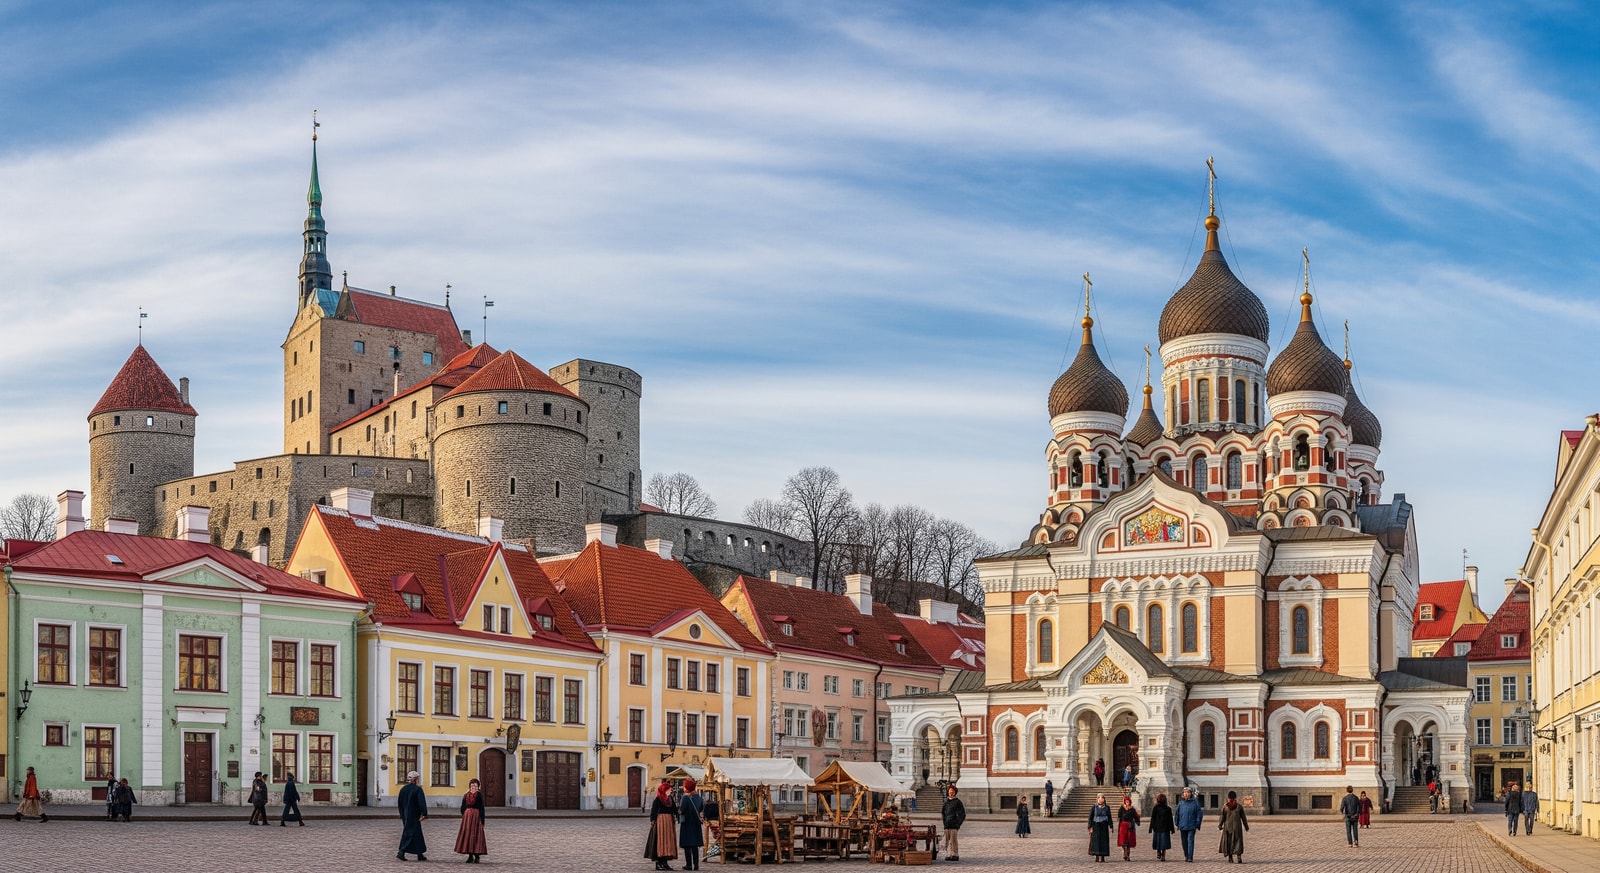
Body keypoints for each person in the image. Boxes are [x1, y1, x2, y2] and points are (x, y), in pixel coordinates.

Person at [396, 770, 429, 862]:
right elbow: (421, 802)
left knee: (417, 834)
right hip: (414, 815)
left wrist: (402, 814)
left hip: (405, 814)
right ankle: (401, 852)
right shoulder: (417, 789)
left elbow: (400, 803)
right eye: (418, 779)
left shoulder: (403, 789)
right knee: (410, 833)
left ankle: (420, 853)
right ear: (415, 779)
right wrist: (424, 813)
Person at [454, 777, 488, 863]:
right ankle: (470, 856)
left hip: (476, 817)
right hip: (468, 818)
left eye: (475, 786)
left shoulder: (479, 795)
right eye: (472, 785)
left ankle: (477, 856)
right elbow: (462, 807)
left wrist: (482, 820)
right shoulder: (466, 795)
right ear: (469, 786)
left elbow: (481, 808)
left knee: (475, 835)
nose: (473, 787)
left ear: (478, 787)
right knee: (468, 836)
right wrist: (465, 815)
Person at [647, 780, 679, 870]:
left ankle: (664, 862)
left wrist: (677, 815)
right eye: (668, 790)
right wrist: (653, 821)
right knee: (660, 841)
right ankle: (659, 862)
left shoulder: (670, 799)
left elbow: (674, 809)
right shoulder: (658, 799)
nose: (670, 791)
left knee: (668, 841)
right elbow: (653, 811)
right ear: (664, 790)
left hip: (669, 821)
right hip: (661, 822)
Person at [678, 778, 707, 871]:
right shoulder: (698, 797)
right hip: (696, 824)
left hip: (687, 823)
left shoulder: (685, 797)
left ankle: (689, 864)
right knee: (695, 845)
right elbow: (701, 808)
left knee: (687, 844)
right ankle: (696, 864)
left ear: (687, 787)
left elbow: (681, 809)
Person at [1217, 790, 1247, 864]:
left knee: (1229, 842)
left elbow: (1222, 817)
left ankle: (1230, 858)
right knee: (1238, 842)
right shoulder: (1239, 806)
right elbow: (1243, 817)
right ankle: (1239, 856)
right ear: (1235, 797)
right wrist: (1246, 826)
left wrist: (1220, 825)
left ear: (1228, 797)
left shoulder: (1225, 807)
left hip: (1228, 827)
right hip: (1237, 827)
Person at [1175, 787, 1203, 862]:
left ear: (1191, 794)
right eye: (1185, 792)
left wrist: (1197, 823)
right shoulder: (1181, 803)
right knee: (1184, 842)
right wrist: (1177, 823)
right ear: (1183, 794)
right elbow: (1177, 814)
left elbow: (1199, 814)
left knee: (1190, 841)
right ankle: (1186, 855)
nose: (1186, 794)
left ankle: (1190, 856)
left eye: (1188, 792)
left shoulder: (1195, 803)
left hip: (1192, 825)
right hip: (1183, 825)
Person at [941, 784, 966, 862]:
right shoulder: (946, 802)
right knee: (946, 841)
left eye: (952, 792)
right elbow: (943, 813)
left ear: (955, 793)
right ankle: (948, 854)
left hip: (954, 824)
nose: (951, 793)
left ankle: (954, 854)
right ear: (948, 792)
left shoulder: (958, 802)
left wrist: (958, 823)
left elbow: (962, 814)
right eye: (950, 792)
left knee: (953, 841)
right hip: (947, 824)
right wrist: (944, 823)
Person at [1086, 793, 1113, 863]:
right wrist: (1089, 826)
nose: (1101, 799)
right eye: (1099, 798)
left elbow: (1109, 817)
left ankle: (1103, 856)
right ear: (1097, 799)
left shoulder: (1107, 807)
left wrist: (1111, 826)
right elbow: (1090, 817)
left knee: (1103, 841)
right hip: (1096, 825)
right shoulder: (1094, 807)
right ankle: (1097, 855)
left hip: (1104, 825)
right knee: (1096, 841)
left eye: (1102, 798)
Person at [1148, 793, 1173, 861]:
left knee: (1162, 842)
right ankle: (1159, 852)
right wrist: (1151, 827)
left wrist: (1172, 828)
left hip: (1163, 828)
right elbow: (1153, 818)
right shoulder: (1156, 808)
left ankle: (1162, 854)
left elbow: (1170, 819)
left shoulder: (1168, 809)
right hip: (1158, 827)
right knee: (1161, 842)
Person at [1117, 794, 1140, 861]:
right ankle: (1124, 852)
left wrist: (1137, 821)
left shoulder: (1132, 809)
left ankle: (1128, 854)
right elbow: (1119, 816)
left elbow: (1135, 816)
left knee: (1129, 841)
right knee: (1123, 840)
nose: (1127, 802)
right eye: (1126, 801)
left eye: (1128, 801)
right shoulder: (1121, 808)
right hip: (1123, 825)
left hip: (1130, 825)